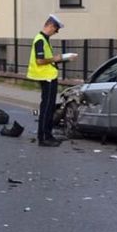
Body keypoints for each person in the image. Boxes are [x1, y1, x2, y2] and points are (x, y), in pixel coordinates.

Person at [28, 14, 73, 147]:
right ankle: (43, 138)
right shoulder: (40, 40)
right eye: (56, 29)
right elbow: (40, 60)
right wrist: (57, 58)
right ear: (50, 25)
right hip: (45, 77)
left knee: (49, 107)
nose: (56, 32)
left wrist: (63, 59)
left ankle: (48, 135)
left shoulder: (44, 39)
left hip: (49, 77)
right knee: (46, 108)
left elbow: (46, 60)